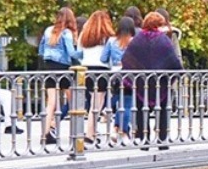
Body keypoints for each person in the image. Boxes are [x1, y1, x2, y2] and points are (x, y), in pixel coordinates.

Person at [121, 11, 182, 150]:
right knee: (163, 111)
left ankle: (143, 140)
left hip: (142, 82)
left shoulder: (138, 39)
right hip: (161, 82)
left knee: (142, 110)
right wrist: (170, 78)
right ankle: (162, 140)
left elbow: (126, 59)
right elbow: (174, 62)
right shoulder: (164, 40)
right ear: (158, 25)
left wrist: (134, 77)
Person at [37, 7, 79, 145]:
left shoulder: (48, 30)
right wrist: (84, 54)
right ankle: (77, 132)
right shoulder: (66, 33)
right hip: (63, 68)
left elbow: (41, 50)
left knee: (51, 102)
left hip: (49, 67)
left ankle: (45, 133)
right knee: (73, 99)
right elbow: (72, 53)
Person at [77, 10, 114, 143]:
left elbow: (79, 53)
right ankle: (90, 132)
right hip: (101, 68)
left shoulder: (84, 35)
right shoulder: (107, 36)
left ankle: (91, 131)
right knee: (97, 102)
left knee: (92, 100)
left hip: (86, 69)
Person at [102, 16, 136, 144]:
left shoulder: (111, 41)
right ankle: (123, 131)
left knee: (117, 98)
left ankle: (114, 124)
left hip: (115, 74)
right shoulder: (133, 41)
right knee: (127, 104)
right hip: (129, 74)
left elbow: (103, 58)